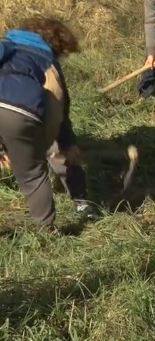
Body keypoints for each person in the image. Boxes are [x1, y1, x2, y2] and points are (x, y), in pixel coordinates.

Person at [0, 17, 98, 230]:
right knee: (33, 173)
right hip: (22, 109)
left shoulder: (6, 46)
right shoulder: (44, 57)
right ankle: (47, 230)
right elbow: (58, 106)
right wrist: (65, 143)